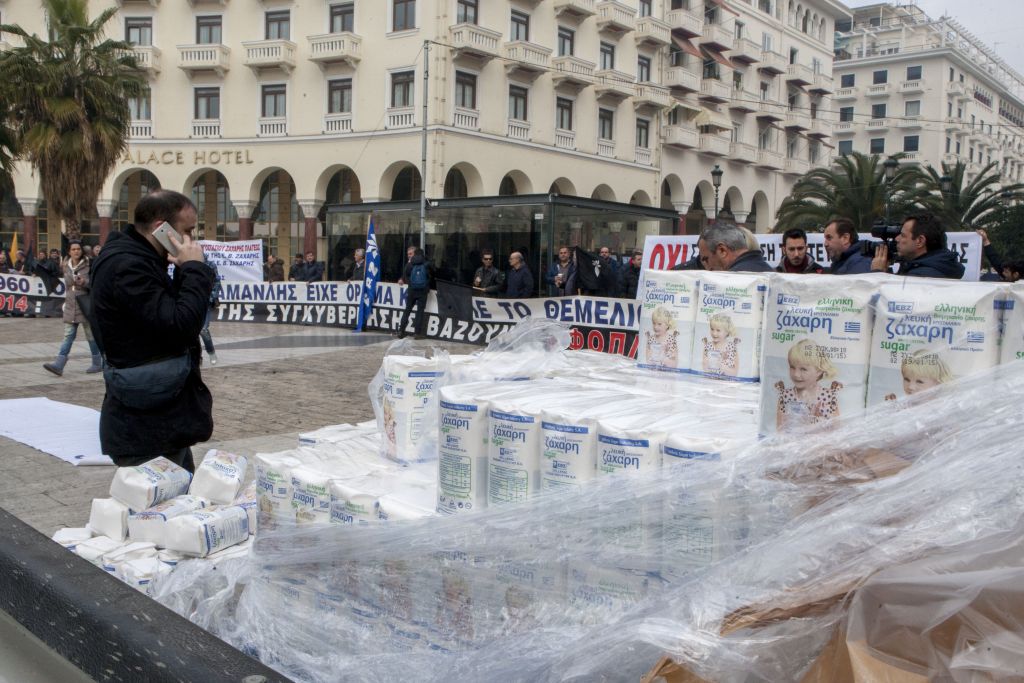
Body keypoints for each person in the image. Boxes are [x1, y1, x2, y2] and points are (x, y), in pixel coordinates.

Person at [89, 189, 216, 472]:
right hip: (146, 417)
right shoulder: (128, 266)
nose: (190, 240)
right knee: (158, 508)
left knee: (180, 498)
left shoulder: (139, 259)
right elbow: (180, 325)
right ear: (162, 229)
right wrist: (194, 269)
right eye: (186, 231)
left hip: (160, 410)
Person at [42, 241, 102, 376]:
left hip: (85, 303)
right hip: (70, 303)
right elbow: (68, 284)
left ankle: (97, 363)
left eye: (78, 249)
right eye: (73, 249)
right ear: (69, 251)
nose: (76, 251)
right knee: (68, 335)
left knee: (90, 335)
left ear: (81, 251)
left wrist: (85, 282)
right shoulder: (65, 265)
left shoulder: (90, 264)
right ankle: (59, 364)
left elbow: (97, 282)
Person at [775, 339, 843, 431]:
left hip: (821, 444)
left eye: (803, 369)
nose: (796, 374)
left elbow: (837, 428)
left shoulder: (829, 396)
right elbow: (780, 429)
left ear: (819, 371)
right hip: (793, 444)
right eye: (792, 367)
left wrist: (819, 422)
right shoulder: (785, 396)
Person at [871, 212, 964, 278]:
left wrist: (878, 274)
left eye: (903, 235)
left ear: (920, 241)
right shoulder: (941, 266)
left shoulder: (921, 277)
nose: (896, 239)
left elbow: (893, 301)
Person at [697, 221, 772, 272]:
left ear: (722, 250)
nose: (707, 268)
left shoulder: (731, 281)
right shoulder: (772, 272)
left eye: (706, 259)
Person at [884, 350, 953, 401]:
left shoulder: (942, 406)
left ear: (938, 383)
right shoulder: (910, 403)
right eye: (907, 379)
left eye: (919, 381)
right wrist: (893, 404)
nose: (911, 387)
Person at [397, 247, 431, 339]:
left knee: (407, 310)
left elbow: (405, 275)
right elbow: (431, 275)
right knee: (419, 312)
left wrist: (410, 283)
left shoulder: (410, 263)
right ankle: (417, 333)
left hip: (412, 290)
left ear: (415, 254)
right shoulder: (427, 263)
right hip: (423, 291)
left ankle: (401, 331)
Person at [701, 312, 739, 377]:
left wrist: (723, 368)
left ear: (727, 331)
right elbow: (704, 367)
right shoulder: (708, 346)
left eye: (718, 330)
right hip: (710, 381)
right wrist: (706, 364)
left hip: (727, 383)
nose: (714, 333)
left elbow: (735, 372)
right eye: (712, 329)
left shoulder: (732, 347)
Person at [199, 257, 220, 365]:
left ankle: (211, 352)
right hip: (191, 300)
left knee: (203, 330)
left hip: (206, 300)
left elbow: (216, 281)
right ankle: (198, 356)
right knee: (193, 331)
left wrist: (212, 296)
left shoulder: (210, 264)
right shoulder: (186, 261)